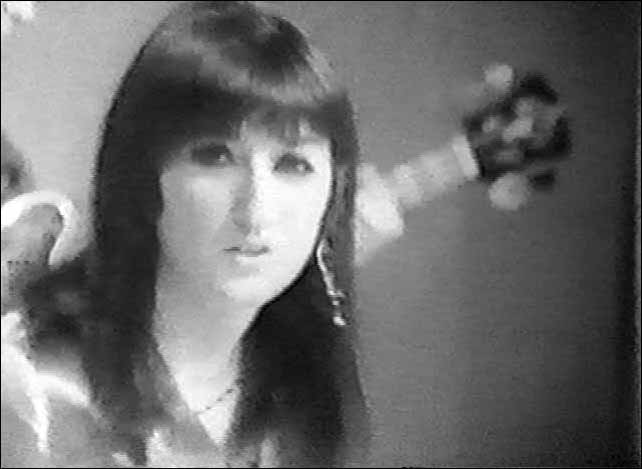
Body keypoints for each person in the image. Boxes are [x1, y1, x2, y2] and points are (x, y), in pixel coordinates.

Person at [1, 1, 570, 467]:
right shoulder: (41, 399)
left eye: (293, 164)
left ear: (332, 194)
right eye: (214, 156)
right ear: (141, 177)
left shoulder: (294, 397)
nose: (258, 209)